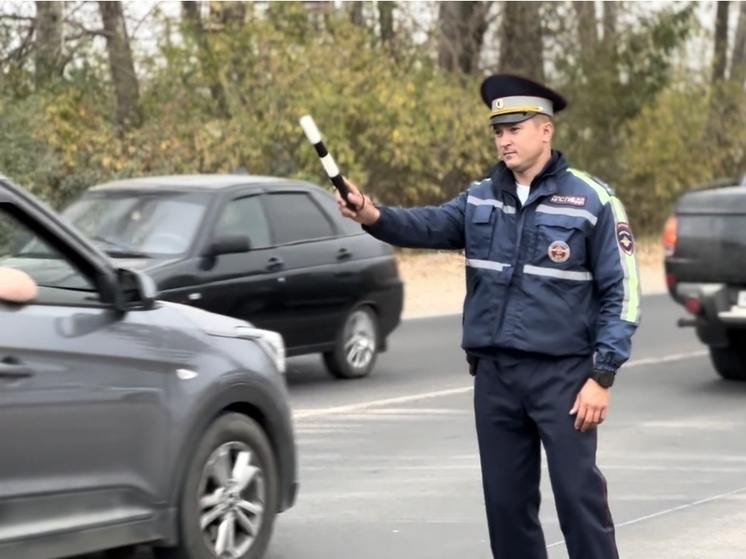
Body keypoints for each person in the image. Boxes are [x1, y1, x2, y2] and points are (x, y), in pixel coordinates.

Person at [334, 73, 641, 559]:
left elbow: (622, 294)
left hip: (564, 379)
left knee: (578, 501)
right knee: (506, 507)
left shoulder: (592, 201)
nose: (504, 139)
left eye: (515, 128)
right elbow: (427, 224)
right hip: (496, 379)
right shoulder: (479, 198)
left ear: (545, 130)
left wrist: (602, 375)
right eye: (498, 130)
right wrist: (372, 214)